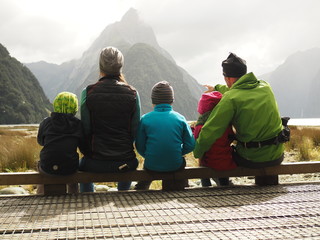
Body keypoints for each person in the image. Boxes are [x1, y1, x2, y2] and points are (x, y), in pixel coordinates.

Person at [193, 53, 288, 177]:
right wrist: (216, 88)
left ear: (227, 78)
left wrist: (197, 152)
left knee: (215, 157)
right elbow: (240, 90)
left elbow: (211, 130)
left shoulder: (230, 98)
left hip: (251, 159)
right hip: (277, 155)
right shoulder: (265, 86)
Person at [80, 46, 140, 192]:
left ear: (101, 66)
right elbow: (135, 130)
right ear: (120, 67)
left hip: (94, 162)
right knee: (132, 164)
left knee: (82, 166)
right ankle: (123, 195)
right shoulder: (133, 93)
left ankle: (87, 198)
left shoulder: (88, 92)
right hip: (125, 161)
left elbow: (86, 129)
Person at [135, 81, 195, 190]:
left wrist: (150, 154)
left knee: (149, 166)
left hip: (151, 165)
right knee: (179, 164)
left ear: (153, 101)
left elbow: (139, 146)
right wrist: (177, 151)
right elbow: (190, 145)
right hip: (174, 165)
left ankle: (142, 188)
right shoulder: (180, 118)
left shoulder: (145, 119)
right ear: (172, 100)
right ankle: (178, 189)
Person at [37, 91, 84, 193]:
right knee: (73, 180)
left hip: (47, 167)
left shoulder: (46, 122)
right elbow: (82, 146)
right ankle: (74, 198)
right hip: (69, 168)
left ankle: (40, 196)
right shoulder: (78, 124)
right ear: (74, 107)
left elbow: (40, 142)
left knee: (42, 175)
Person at [193, 91, 236, 187]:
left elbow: (197, 143)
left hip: (209, 163)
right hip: (226, 162)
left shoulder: (201, 125)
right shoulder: (226, 124)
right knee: (222, 163)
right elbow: (231, 137)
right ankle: (224, 186)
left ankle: (205, 186)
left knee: (202, 161)